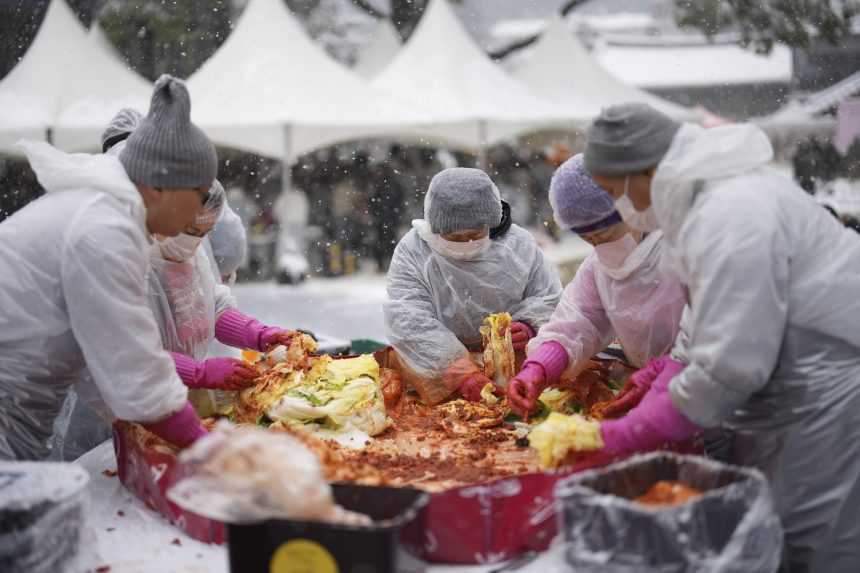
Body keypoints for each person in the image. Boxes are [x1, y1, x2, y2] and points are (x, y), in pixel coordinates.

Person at [573, 102, 860, 572]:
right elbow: (709, 315)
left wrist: (631, 433)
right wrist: (663, 373)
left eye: (612, 191)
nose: (617, 207)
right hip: (792, 394)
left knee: (816, 544)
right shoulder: (708, 203)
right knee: (773, 534)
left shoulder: (733, 214)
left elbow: (730, 364)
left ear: (641, 170)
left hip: (826, 398)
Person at [0, 75, 215, 460]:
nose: (198, 211)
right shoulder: (105, 229)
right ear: (160, 187)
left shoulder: (112, 216)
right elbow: (133, 367)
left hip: (21, 404)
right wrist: (209, 447)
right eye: (197, 195)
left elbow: (109, 365)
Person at [506, 155, 686, 416]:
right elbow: (578, 320)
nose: (601, 247)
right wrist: (539, 368)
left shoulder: (689, 250)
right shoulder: (599, 266)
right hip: (658, 392)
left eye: (606, 234)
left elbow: (717, 339)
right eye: (590, 240)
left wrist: (664, 372)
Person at [384, 168, 562, 405]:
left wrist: (529, 325)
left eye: (475, 234)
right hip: (437, 366)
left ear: (491, 224)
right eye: (454, 237)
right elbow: (409, 318)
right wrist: (459, 371)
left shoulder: (519, 245)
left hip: (512, 363)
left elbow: (548, 297)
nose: (466, 243)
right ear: (436, 227)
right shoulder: (413, 252)